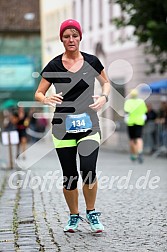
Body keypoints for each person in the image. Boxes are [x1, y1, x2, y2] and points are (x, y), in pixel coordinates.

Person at [35, 19, 110, 233]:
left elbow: (106, 82)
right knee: (69, 175)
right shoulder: (54, 65)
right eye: (66, 36)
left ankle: (92, 213)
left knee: (88, 169)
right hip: (62, 126)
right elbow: (39, 92)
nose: (71, 39)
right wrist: (46, 99)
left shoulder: (92, 61)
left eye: (74, 35)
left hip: (89, 124)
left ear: (80, 38)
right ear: (61, 39)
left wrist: (104, 97)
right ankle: (74, 216)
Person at [124, 89, 147, 163]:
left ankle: (134, 154)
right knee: (139, 138)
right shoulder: (141, 102)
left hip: (130, 122)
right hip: (140, 122)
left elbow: (126, 111)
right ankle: (140, 151)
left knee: (132, 139)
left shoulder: (128, 102)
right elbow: (145, 111)